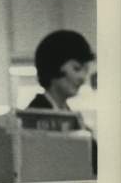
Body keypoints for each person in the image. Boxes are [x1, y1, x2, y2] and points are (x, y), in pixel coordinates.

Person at [29, 29, 97, 173]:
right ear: (54, 66)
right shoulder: (32, 118)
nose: (83, 77)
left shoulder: (73, 117)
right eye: (77, 68)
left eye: (86, 70)